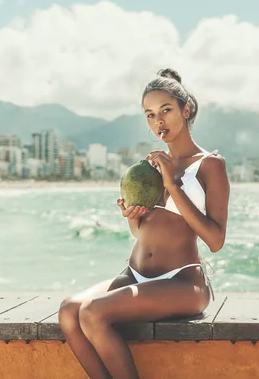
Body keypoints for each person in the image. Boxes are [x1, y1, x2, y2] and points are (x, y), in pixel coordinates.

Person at [58, 68, 230, 379]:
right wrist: (133, 218)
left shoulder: (210, 165)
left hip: (182, 282)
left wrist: (174, 185)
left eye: (166, 110)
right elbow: (143, 233)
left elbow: (216, 240)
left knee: (94, 313)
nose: (158, 122)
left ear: (185, 109)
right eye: (150, 115)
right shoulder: (150, 166)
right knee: (70, 311)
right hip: (134, 274)